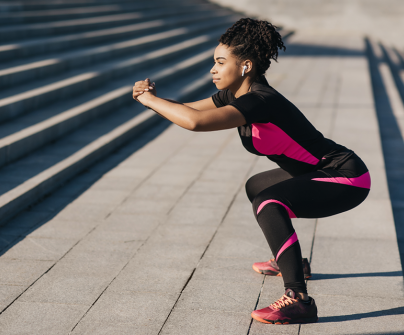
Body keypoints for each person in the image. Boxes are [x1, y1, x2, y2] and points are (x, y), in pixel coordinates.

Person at [132, 18, 370, 325]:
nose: (212, 70)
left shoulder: (260, 100)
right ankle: (292, 263)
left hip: (347, 177)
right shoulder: (233, 95)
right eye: (213, 63)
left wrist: (149, 100)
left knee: (269, 202)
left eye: (220, 62)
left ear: (245, 66)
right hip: (319, 172)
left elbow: (195, 122)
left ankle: (299, 299)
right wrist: (152, 98)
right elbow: (190, 109)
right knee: (257, 186)